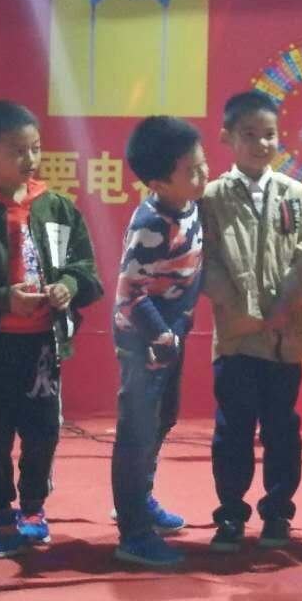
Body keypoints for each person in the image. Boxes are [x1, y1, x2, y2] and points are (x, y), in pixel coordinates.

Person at [0, 100, 102, 558]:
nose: (30, 159)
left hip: (44, 344)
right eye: (17, 150)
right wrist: (2, 297)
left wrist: (68, 286)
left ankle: (33, 507)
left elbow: (86, 269)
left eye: (36, 148)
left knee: (44, 429)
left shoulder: (57, 208)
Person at [202, 90, 302, 553]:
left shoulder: (294, 193)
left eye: (269, 134)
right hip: (235, 340)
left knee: (282, 429)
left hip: (284, 339)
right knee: (233, 429)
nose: (260, 144)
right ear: (227, 137)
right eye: (249, 135)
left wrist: (285, 306)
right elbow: (207, 260)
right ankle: (231, 513)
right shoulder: (212, 196)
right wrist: (240, 310)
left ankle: (278, 512)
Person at [110, 116, 208, 568]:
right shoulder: (152, 224)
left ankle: (141, 498)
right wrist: (160, 335)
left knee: (163, 418)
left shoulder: (189, 206)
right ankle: (133, 533)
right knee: (137, 430)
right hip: (144, 340)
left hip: (172, 334)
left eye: (203, 164)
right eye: (192, 171)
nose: (203, 176)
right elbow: (130, 293)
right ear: (158, 183)